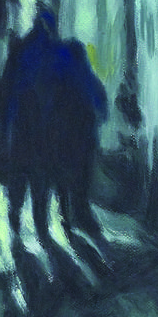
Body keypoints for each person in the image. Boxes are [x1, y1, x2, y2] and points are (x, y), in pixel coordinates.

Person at [0, 0, 61, 241]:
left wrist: (5, 123)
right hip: (44, 127)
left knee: (19, 174)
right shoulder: (54, 51)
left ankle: (15, 219)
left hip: (21, 124)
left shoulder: (20, 48)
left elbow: (6, 89)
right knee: (40, 178)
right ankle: (41, 226)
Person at [52, 38, 108, 238]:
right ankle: (81, 214)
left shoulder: (59, 83)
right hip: (85, 138)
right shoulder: (90, 79)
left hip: (63, 139)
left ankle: (66, 215)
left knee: (63, 177)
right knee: (82, 178)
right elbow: (103, 110)